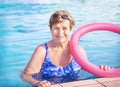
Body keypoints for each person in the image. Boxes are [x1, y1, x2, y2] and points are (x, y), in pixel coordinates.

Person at [21, 10, 111, 87]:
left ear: (70, 29)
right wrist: (37, 83)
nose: (60, 32)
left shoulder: (78, 50)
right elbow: (26, 75)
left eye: (64, 28)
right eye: (56, 28)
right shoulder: (42, 51)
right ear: (50, 29)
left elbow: (87, 69)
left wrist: (102, 70)